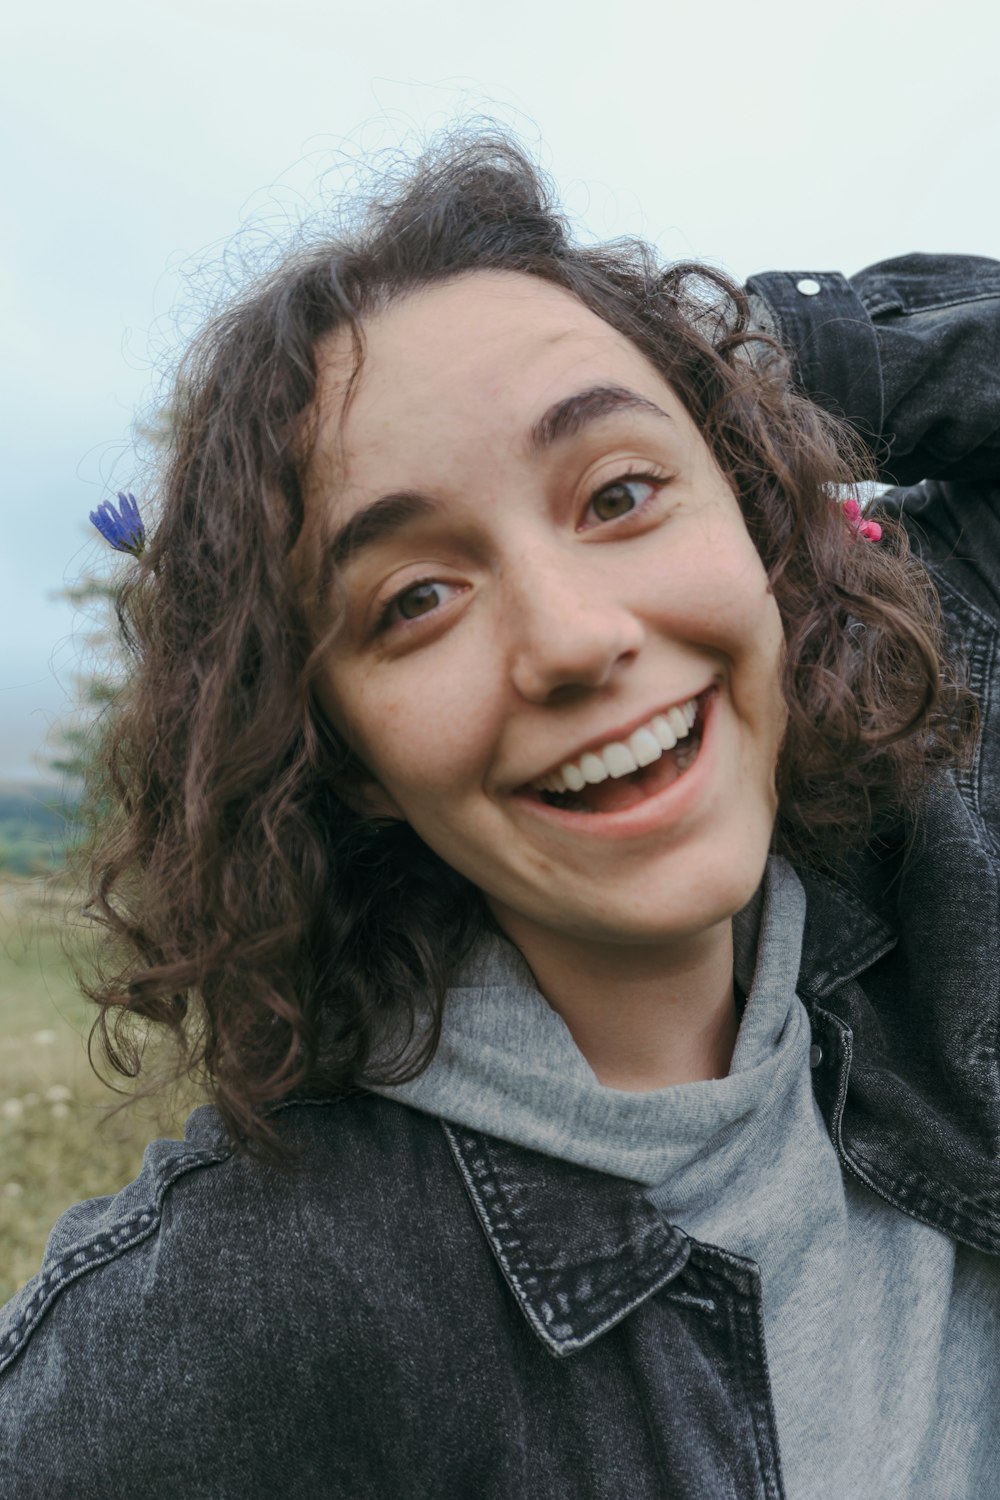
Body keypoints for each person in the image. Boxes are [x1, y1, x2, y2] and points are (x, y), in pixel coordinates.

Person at [1, 132, 998, 1499]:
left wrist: (745, 349)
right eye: (414, 600)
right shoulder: (254, 1302)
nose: (576, 641)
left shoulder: (937, 833)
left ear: (759, 517)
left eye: (622, 491)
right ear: (340, 748)